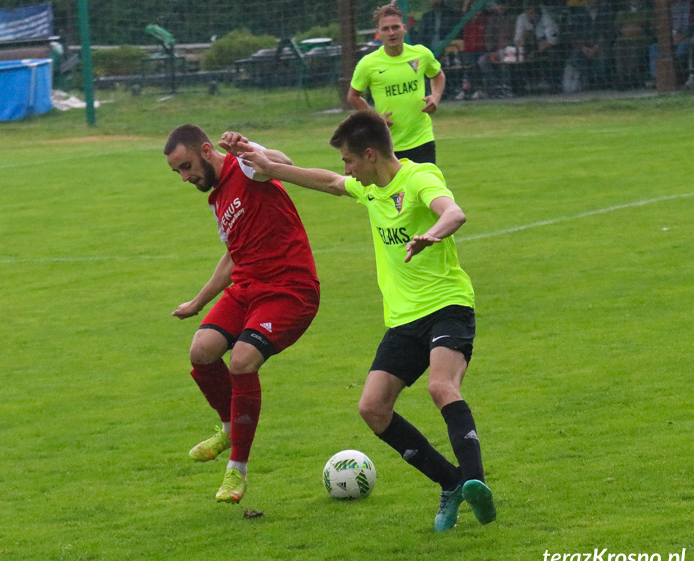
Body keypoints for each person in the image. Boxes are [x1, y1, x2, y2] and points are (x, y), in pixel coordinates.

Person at [237, 110, 496, 532]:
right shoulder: (369, 188)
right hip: (404, 319)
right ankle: (450, 483)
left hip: (448, 304)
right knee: (373, 408)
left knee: (440, 385)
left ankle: (475, 484)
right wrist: (274, 167)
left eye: (349, 160)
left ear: (370, 154)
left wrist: (434, 233)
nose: (347, 168)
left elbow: (454, 212)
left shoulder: (418, 177)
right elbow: (329, 182)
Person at [164, 125, 320, 504]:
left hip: (288, 288)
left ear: (205, 149)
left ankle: (238, 470)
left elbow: (283, 164)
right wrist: (197, 303)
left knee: (242, 361)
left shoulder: (247, 166)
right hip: (248, 287)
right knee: (202, 351)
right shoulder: (217, 200)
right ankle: (230, 426)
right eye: (178, 172)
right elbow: (232, 257)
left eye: (187, 166)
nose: (185, 177)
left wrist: (252, 148)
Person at [348, 2, 447, 164]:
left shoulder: (421, 54)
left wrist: (435, 96)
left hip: (422, 139)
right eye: (385, 29)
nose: (391, 33)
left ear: (404, 29)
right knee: (397, 190)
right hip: (387, 144)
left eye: (395, 27)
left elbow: (437, 75)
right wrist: (374, 118)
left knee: (427, 189)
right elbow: (353, 96)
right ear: (378, 33)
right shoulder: (368, 64)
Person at [565, 0, 616, 91]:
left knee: (602, 56)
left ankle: (601, 85)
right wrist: (583, 47)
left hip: (601, 46)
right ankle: (585, 83)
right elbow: (573, 33)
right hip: (583, 46)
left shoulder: (606, 11)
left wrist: (596, 47)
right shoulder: (579, 12)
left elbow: (609, 32)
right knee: (576, 57)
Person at [514, 0, 564, 92]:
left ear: (537, 11)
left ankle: (551, 84)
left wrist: (535, 52)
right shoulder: (522, 18)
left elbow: (552, 41)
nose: (530, 15)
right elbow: (517, 40)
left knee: (554, 54)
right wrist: (524, 39)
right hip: (530, 46)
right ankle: (522, 87)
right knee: (513, 55)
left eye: (532, 12)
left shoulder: (547, 18)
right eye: (527, 12)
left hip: (546, 47)